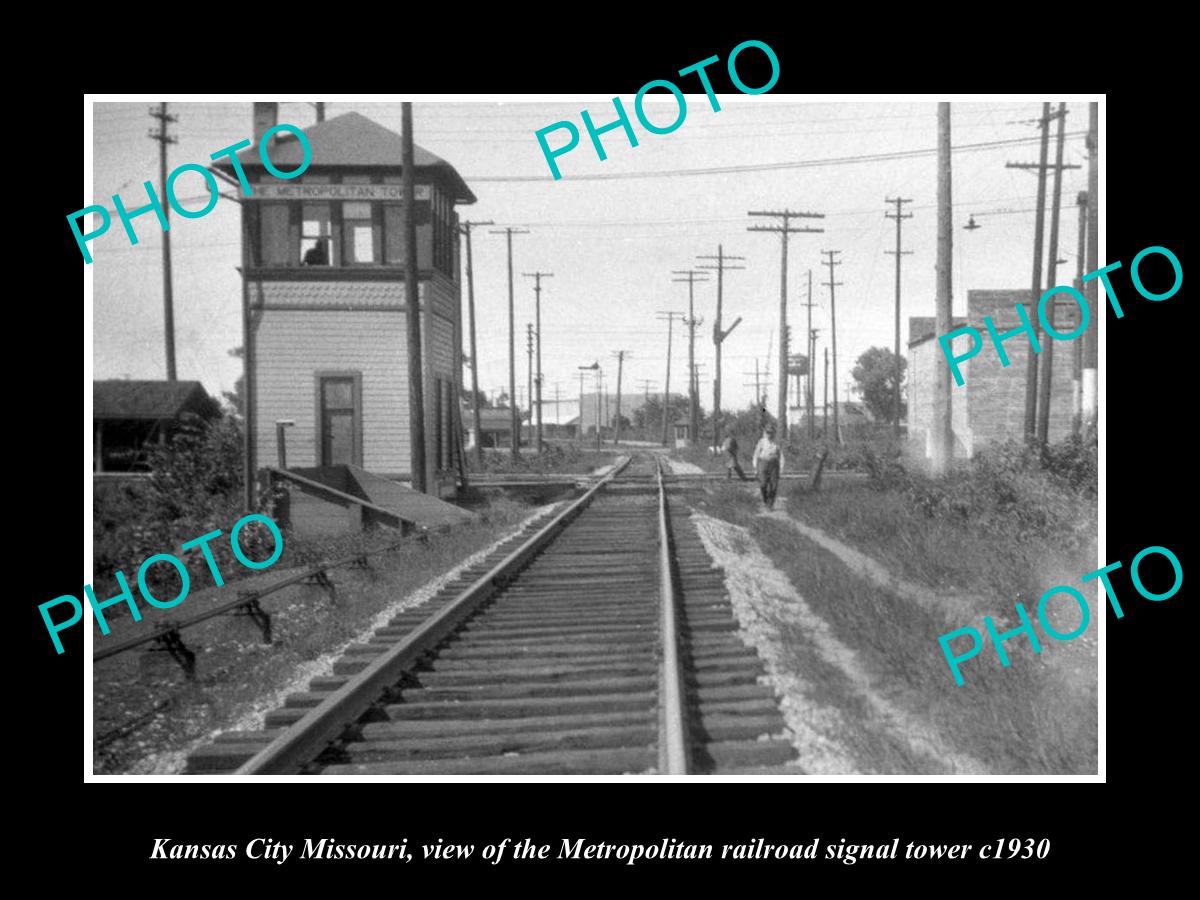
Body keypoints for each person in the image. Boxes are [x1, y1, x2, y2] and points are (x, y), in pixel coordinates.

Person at [751, 424, 784, 510]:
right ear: (765, 433)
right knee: (763, 484)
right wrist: (755, 468)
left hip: (774, 464)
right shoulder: (761, 442)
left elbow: (781, 456)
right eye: (767, 432)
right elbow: (756, 455)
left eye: (771, 432)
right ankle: (765, 500)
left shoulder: (777, 442)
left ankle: (770, 504)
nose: (769, 434)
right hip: (763, 463)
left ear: (774, 433)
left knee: (774, 486)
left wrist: (781, 469)